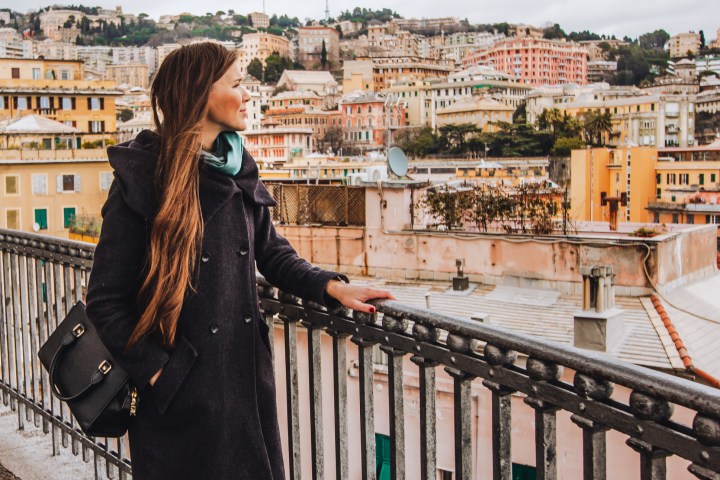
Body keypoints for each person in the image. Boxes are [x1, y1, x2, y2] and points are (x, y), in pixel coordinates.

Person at [85, 42, 394, 479]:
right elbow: (105, 301)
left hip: (243, 381)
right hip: (178, 396)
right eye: (237, 84)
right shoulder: (143, 178)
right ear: (200, 93)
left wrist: (331, 286)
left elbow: (271, 251)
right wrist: (159, 374)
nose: (247, 95)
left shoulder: (237, 166)